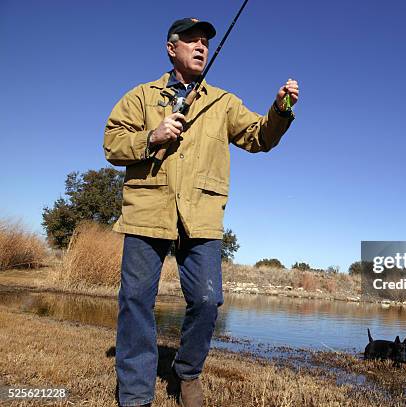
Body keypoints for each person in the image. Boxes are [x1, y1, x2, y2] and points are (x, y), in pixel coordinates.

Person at [103, 17, 299, 407]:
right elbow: (112, 144)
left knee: (208, 301)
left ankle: (187, 372)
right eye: (191, 40)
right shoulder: (140, 96)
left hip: (202, 215)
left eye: (205, 43)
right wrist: (151, 136)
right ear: (171, 48)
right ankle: (136, 393)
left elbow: (260, 137)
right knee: (136, 300)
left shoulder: (222, 102)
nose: (200, 47)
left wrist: (280, 109)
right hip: (147, 210)